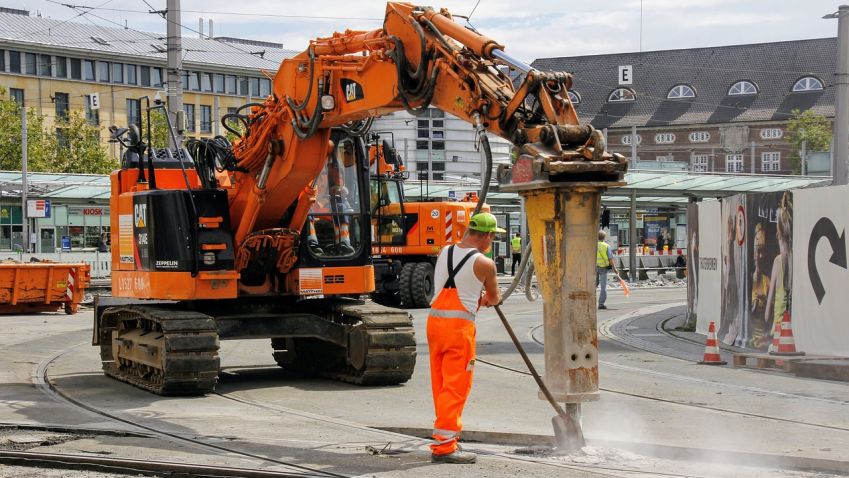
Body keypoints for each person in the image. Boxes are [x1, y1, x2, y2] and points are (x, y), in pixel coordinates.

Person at [427, 212, 502, 464]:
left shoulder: (443, 252)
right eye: (493, 237)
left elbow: (455, 284)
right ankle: (445, 446)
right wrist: (483, 296)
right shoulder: (484, 263)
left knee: (440, 383)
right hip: (458, 330)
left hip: (435, 325)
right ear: (488, 236)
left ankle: (443, 436)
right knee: (456, 386)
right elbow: (494, 298)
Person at [597, 230, 618, 310]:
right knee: (603, 287)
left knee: (592, 286)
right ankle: (601, 304)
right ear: (604, 237)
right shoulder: (606, 246)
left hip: (594, 268)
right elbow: (610, 259)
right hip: (603, 268)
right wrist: (614, 268)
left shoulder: (593, 245)